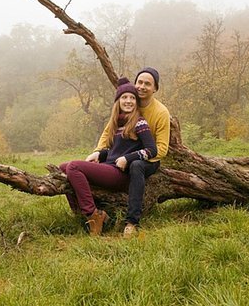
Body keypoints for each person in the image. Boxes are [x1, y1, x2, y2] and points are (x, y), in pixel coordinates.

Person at [60, 77, 157, 236]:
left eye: (132, 98)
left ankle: (93, 215)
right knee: (63, 167)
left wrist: (129, 158)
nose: (128, 101)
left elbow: (151, 149)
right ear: (117, 101)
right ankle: (79, 213)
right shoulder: (116, 124)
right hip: (109, 166)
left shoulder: (139, 123)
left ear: (136, 102)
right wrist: (100, 153)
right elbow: (115, 150)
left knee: (74, 166)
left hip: (120, 174)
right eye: (124, 97)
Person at [90, 67, 170, 237]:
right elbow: (108, 132)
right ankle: (96, 214)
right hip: (124, 154)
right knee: (102, 164)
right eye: (139, 82)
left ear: (155, 88)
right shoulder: (129, 102)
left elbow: (161, 149)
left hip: (149, 158)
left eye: (147, 84)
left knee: (136, 166)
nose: (142, 86)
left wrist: (131, 157)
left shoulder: (161, 112)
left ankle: (132, 222)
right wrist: (98, 152)